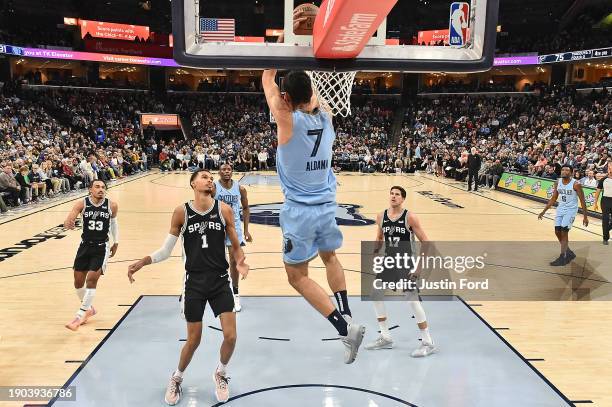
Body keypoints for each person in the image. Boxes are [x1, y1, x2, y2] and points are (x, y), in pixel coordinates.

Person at [262, 31, 365, 363]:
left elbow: (266, 78)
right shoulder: (327, 117)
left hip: (301, 211)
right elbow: (311, 93)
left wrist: (286, 42)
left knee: (297, 277)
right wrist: (310, 43)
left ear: (287, 97)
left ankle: (343, 328)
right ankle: (347, 312)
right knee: (331, 258)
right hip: (326, 206)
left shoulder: (286, 120)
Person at [127, 169, 249, 405]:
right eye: (204, 177)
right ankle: (177, 377)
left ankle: (220, 373)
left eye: (210, 178)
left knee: (231, 336)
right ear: (193, 183)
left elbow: (235, 243)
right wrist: (142, 262)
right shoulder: (181, 212)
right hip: (193, 282)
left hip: (220, 279)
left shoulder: (223, 210)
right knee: (194, 341)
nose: (209, 179)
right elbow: (165, 251)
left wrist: (241, 261)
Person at [365, 186, 437, 357]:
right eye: (391, 193)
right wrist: (375, 253)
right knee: (375, 294)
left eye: (397, 194)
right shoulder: (381, 216)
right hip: (389, 261)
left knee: (412, 301)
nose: (393, 196)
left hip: (407, 262)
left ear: (403, 199)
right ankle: (386, 337)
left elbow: (427, 242)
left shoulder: (410, 217)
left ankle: (428, 342)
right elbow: (380, 237)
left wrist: (418, 268)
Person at [63, 180, 119, 331]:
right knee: (78, 282)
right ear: (90, 190)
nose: (101, 189)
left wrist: (116, 242)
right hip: (85, 246)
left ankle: (79, 315)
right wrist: (69, 221)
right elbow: (71, 216)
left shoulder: (111, 205)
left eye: (103, 187)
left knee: (91, 280)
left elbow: (114, 223)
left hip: (102, 247)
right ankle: (89, 308)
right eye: (97, 187)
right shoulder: (82, 203)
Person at [214, 163, 252, 311]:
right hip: (216, 227)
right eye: (223, 169)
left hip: (234, 228)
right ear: (219, 172)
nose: (226, 171)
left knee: (233, 260)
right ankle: (215, 292)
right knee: (214, 260)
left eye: (229, 169)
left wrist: (246, 230)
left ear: (232, 172)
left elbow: (246, 208)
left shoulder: (240, 188)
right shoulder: (214, 188)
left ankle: (235, 294)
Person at [538, 165, 589, 265]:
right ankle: (568, 252)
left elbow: (582, 201)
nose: (564, 171)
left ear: (571, 173)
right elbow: (553, 198)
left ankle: (563, 257)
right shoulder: (557, 182)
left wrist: (585, 217)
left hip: (571, 210)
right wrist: (544, 211)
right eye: (563, 169)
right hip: (560, 208)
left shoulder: (576, 184)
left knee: (564, 231)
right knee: (557, 231)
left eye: (567, 170)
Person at [594, 164, 612, 245]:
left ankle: (606, 229)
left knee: (606, 225)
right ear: (607, 169)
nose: (610, 170)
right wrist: (595, 203)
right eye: (609, 168)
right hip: (605, 201)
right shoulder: (603, 180)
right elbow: (598, 192)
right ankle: (605, 238)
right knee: (605, 220)